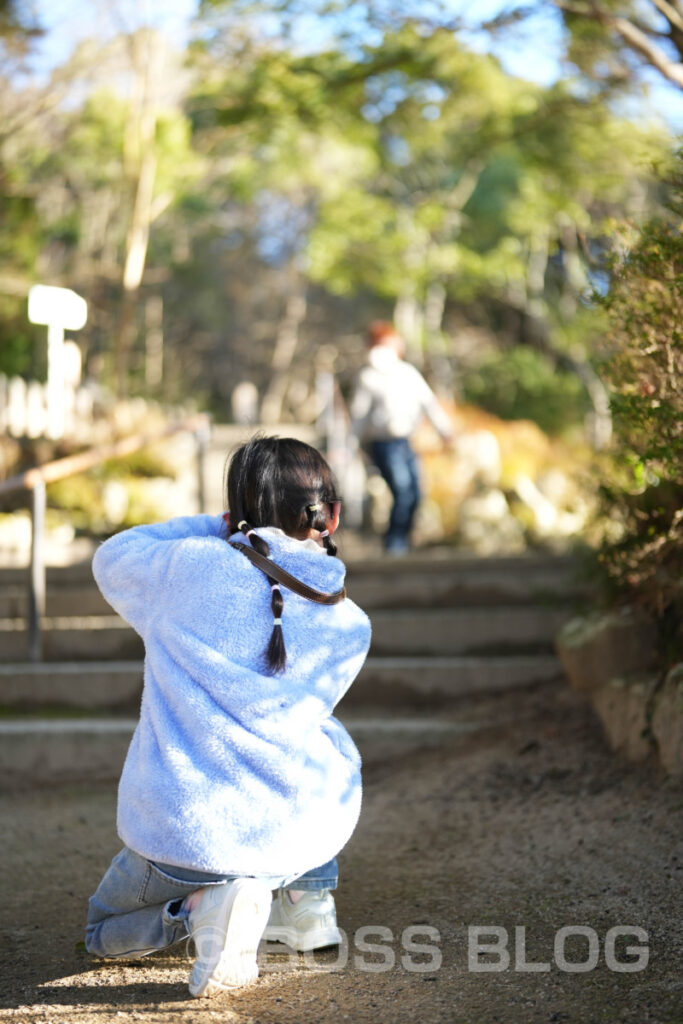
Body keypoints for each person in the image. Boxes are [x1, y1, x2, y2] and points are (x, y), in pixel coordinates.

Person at [85, 436, 371, 998]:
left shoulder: (184, 570)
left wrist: (222, 526)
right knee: (322, 746)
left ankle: (198, 907)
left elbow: (113, 554)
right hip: (290, 827)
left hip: (190, 831)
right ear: (331, 515)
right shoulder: (351, 623)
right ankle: (303, 905)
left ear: (234, 515)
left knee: (101, 932)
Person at [350, 321, 454, 554]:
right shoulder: (369, 377)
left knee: (415, 493)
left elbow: (428, 403)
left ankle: (401, 542)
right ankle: (394, 546)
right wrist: (351, 444)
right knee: (403, 491)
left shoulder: (407, 372)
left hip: (405, 442)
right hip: (383, 444)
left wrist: (445, 431)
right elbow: (359, 415)